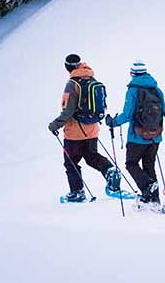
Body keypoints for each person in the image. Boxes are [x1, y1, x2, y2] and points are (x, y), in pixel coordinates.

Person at [48, 53, 121, 202]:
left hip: (74, 133)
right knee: (92, 156)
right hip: (92, 129)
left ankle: (77, 192)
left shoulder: (72, 84)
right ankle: (109, 169)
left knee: (71, 162)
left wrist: (54, 125)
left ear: (67, 66)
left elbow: (68, 111)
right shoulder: (92, 79)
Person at [106, 61, 165, 208]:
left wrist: (113, 122)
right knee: (149, 165)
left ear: (132, 73)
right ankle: (153, 198)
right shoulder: (156, 89)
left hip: (137, 137)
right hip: (155, 136)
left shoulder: (133, 90)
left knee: (131, 164)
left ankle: (147, 187)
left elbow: (127, 115)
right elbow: (163, 109)